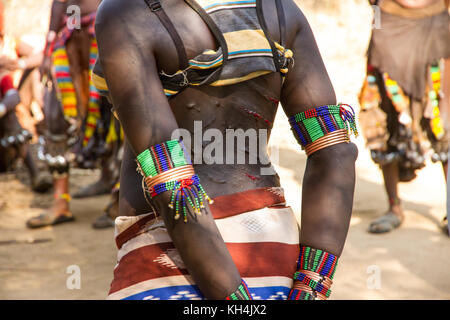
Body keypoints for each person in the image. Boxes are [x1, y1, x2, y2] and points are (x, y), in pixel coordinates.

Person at [93, 0, 358, 300]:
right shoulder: (281, 11)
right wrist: (311, 288)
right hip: (273, 251)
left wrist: (237, 303)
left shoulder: (125, 12)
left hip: (166, 255)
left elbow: (171, 181)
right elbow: (335, 152)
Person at [360, 0, 450, 234]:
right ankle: (394, 207)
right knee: (386, 121)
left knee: (443, 121)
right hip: (389, 37)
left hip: (435, 35)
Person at [26, 0, 114, 228]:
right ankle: (60, 203)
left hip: (105, 35)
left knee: (116, 119)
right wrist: (48, 49)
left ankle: (118, 198)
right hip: (70, 40)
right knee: (56, 116)